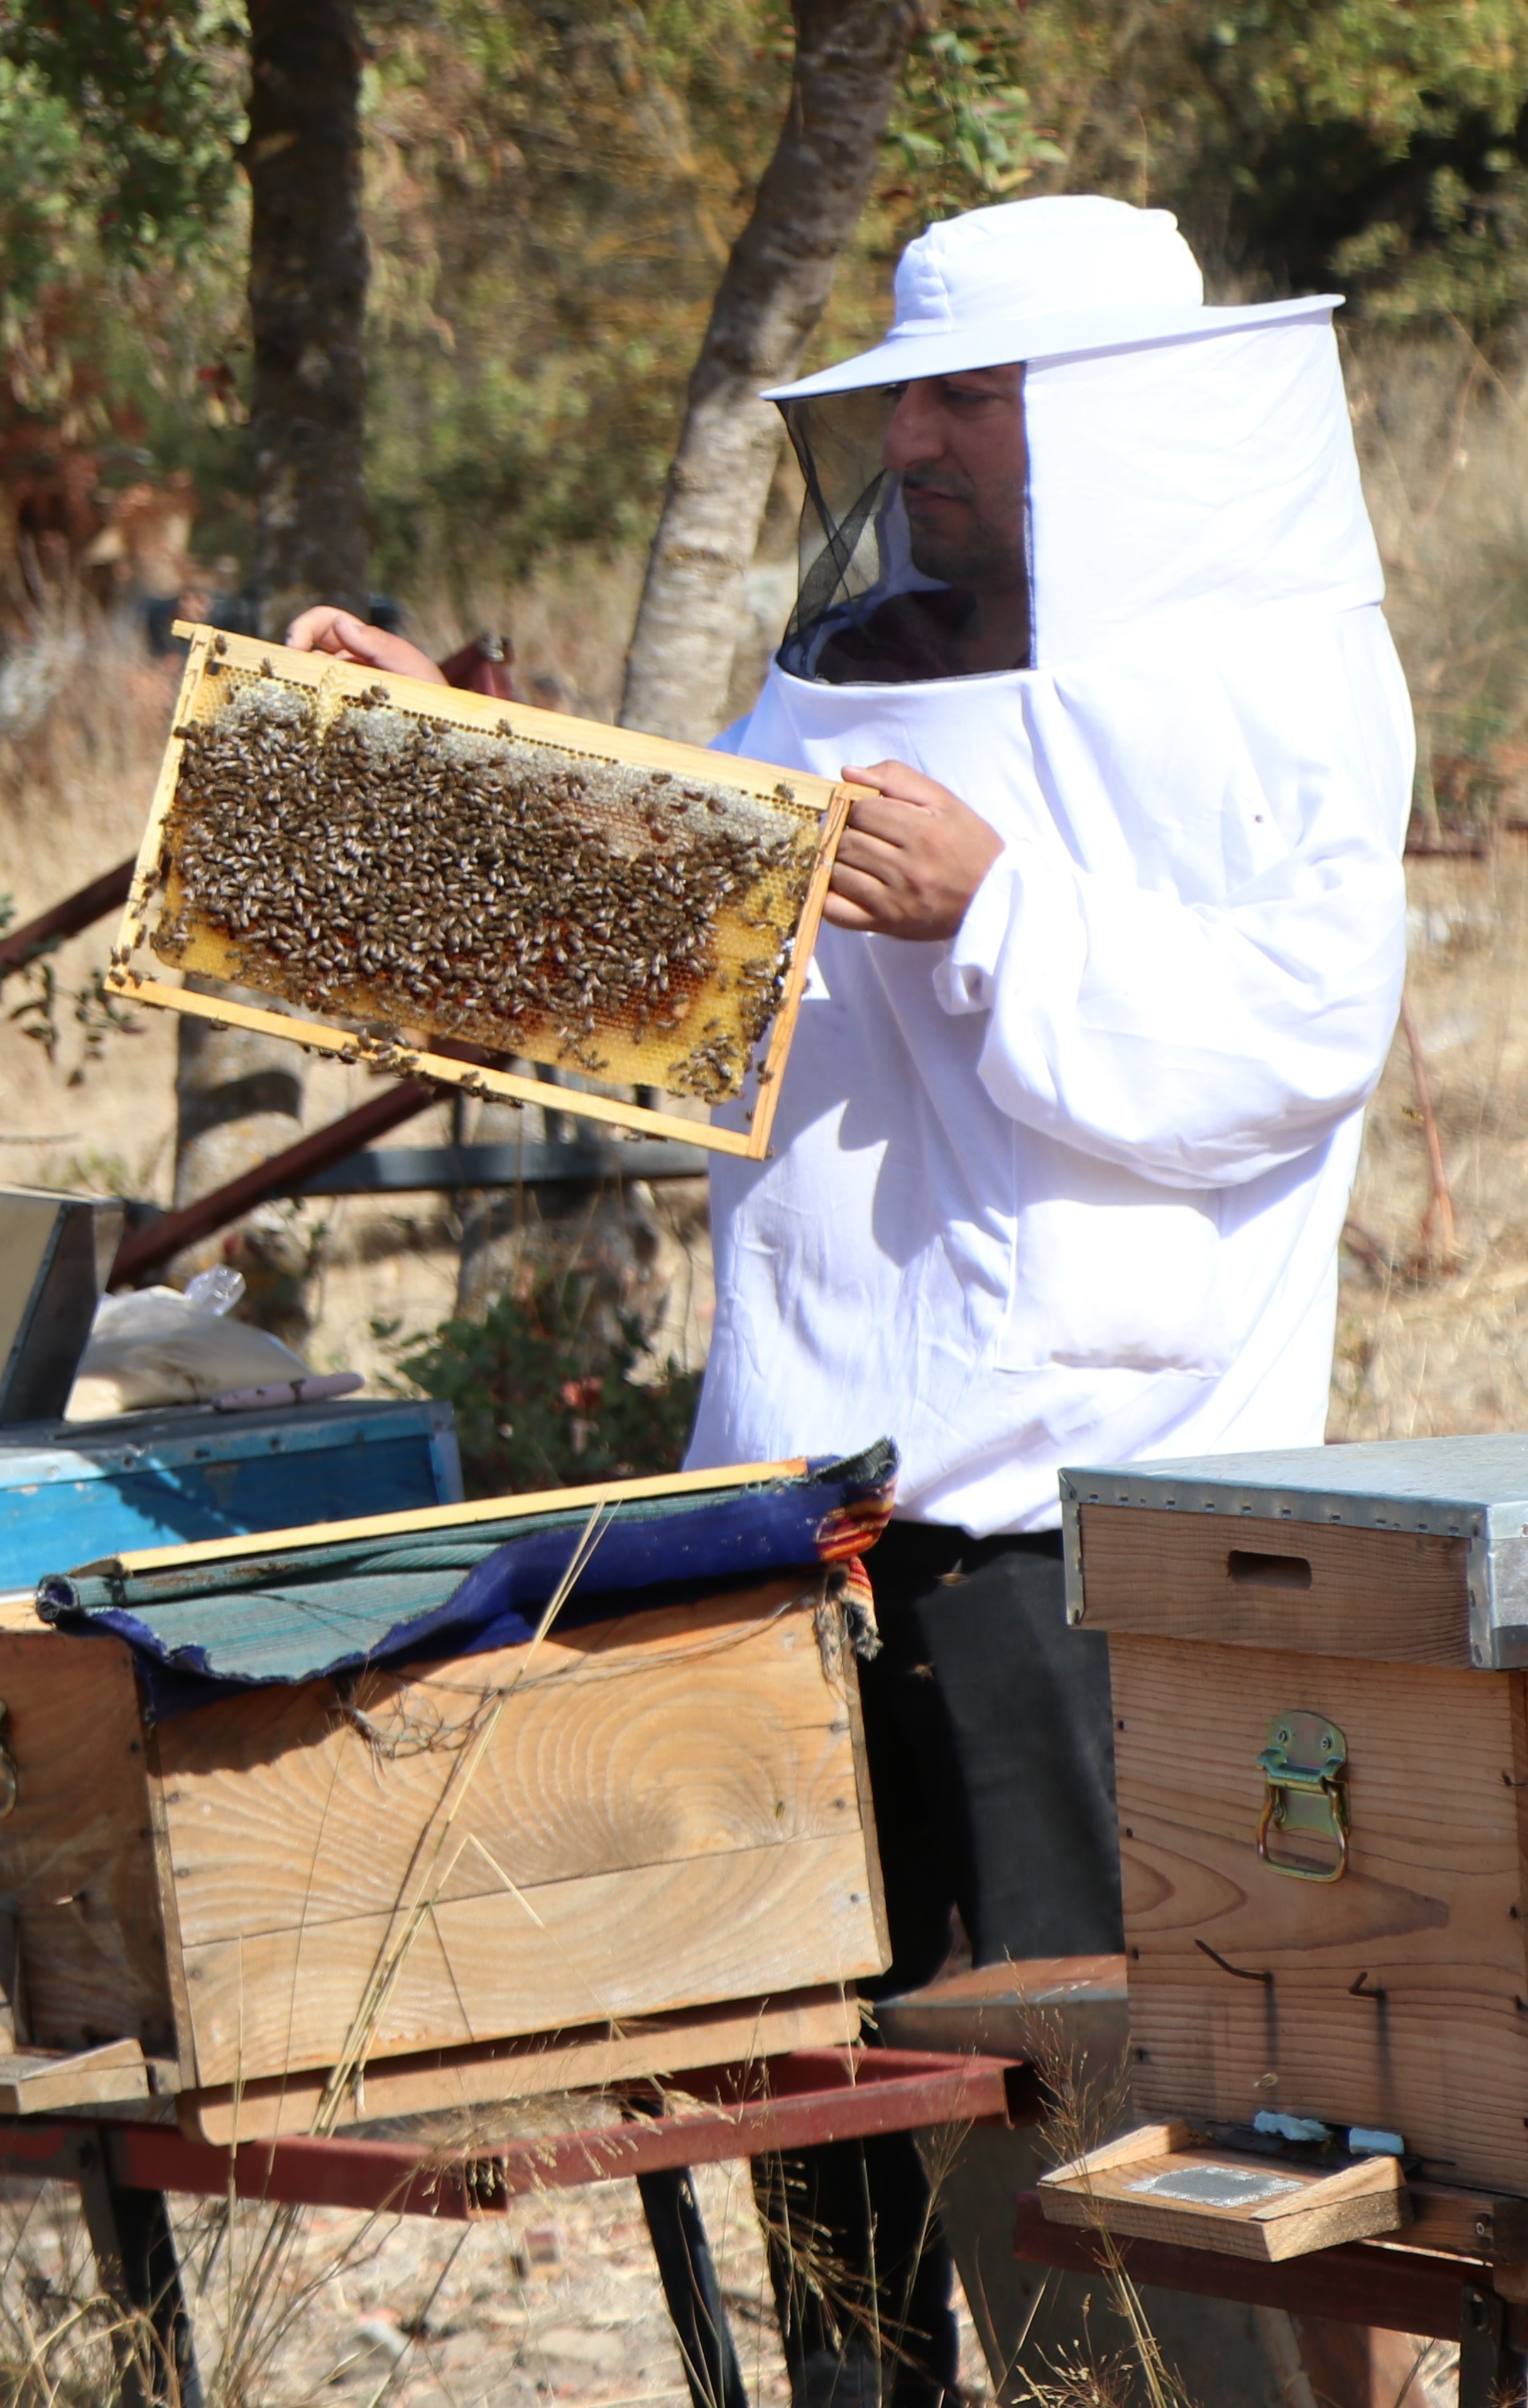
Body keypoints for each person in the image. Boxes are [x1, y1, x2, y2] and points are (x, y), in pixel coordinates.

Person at [291, 194, 1413, 2407]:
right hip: (797, 1516)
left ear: (1113, 422)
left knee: (1106, 2157)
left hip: (1076, 1535)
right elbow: (681, 977)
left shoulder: (1278, 686)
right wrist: (456, 796)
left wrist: (996, 916)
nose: (912, 442)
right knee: (820, 2127)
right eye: (899, 395)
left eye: (963, 397)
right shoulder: (847, 671)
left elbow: (1284, 1050)